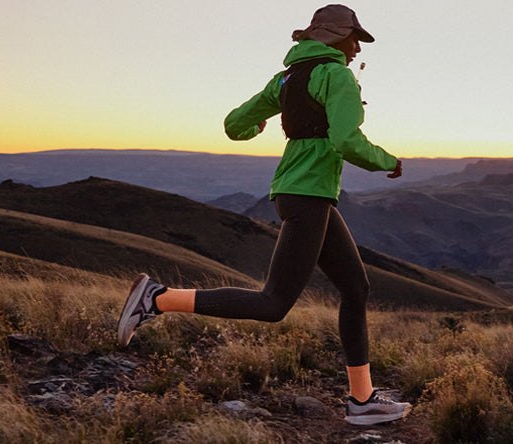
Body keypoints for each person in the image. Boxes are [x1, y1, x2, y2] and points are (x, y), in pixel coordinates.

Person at [116, 4, 408, 426]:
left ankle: (362, 401)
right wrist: (387, 161)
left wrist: (259, 127)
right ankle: (157, 299)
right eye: (353, 39)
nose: (355, 48)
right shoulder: (337, 75)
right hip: (307, 196)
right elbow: (346, 140)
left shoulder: (287, 78)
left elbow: (235, 124)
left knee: (356, 288)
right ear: (333, 37)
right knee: (273, 304)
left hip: (298, 193)